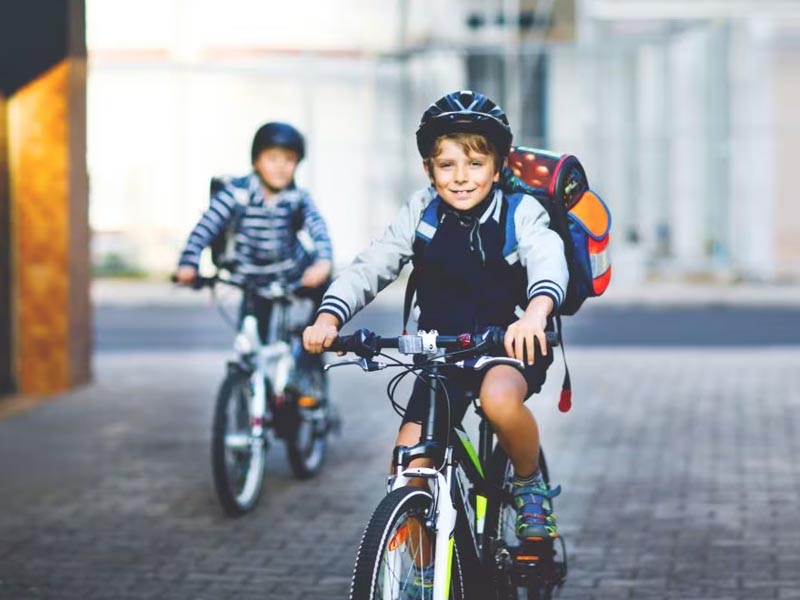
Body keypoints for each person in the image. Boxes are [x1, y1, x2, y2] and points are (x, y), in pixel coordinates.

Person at [303, 90, 568, 554]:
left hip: (506, 346)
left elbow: (548, 259)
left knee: (500, 401)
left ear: (498, 166)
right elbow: (373, 265)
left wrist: (535, 314)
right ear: (429, 169)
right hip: (439, 355)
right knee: (408, 471)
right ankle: (424, 577)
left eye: (475, 164)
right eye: (447, 166)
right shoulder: (421, 212)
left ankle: (529, 487)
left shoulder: (519, 212)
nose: (461, 178)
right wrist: (329, 315)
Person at [177, 121, 333, 387]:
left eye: (289, 160)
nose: (281, 166)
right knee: (251, 348)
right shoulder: (236, 194)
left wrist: (323, 262)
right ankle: (252, 396)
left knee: (325, 303)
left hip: (294, 274)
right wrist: (188, 263)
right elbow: (206, 227)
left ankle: (309, 362)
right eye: (272, 158)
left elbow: (318, 228)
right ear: (256, 161)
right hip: (252, 281)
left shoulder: (297, 198)